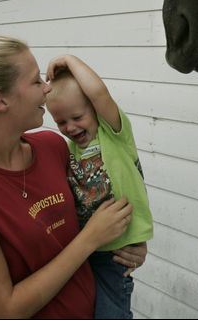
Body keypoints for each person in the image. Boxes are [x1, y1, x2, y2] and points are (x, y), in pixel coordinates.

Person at [0, 36, 147, 318]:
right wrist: (91, 239)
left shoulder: (53, 148)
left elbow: (95, 205)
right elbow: (3, 311)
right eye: (36, 81)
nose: (47, 88)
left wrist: (128, 243)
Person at [45, 55, 153, 319]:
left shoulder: (115, 135)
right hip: (85, 249)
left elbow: (99, 93)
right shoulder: (69, 152)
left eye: (77, 116)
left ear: (93, 109)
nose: (70, 127)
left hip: (116, 253)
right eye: (60, 122)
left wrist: (69, 60)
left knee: (110, 313)